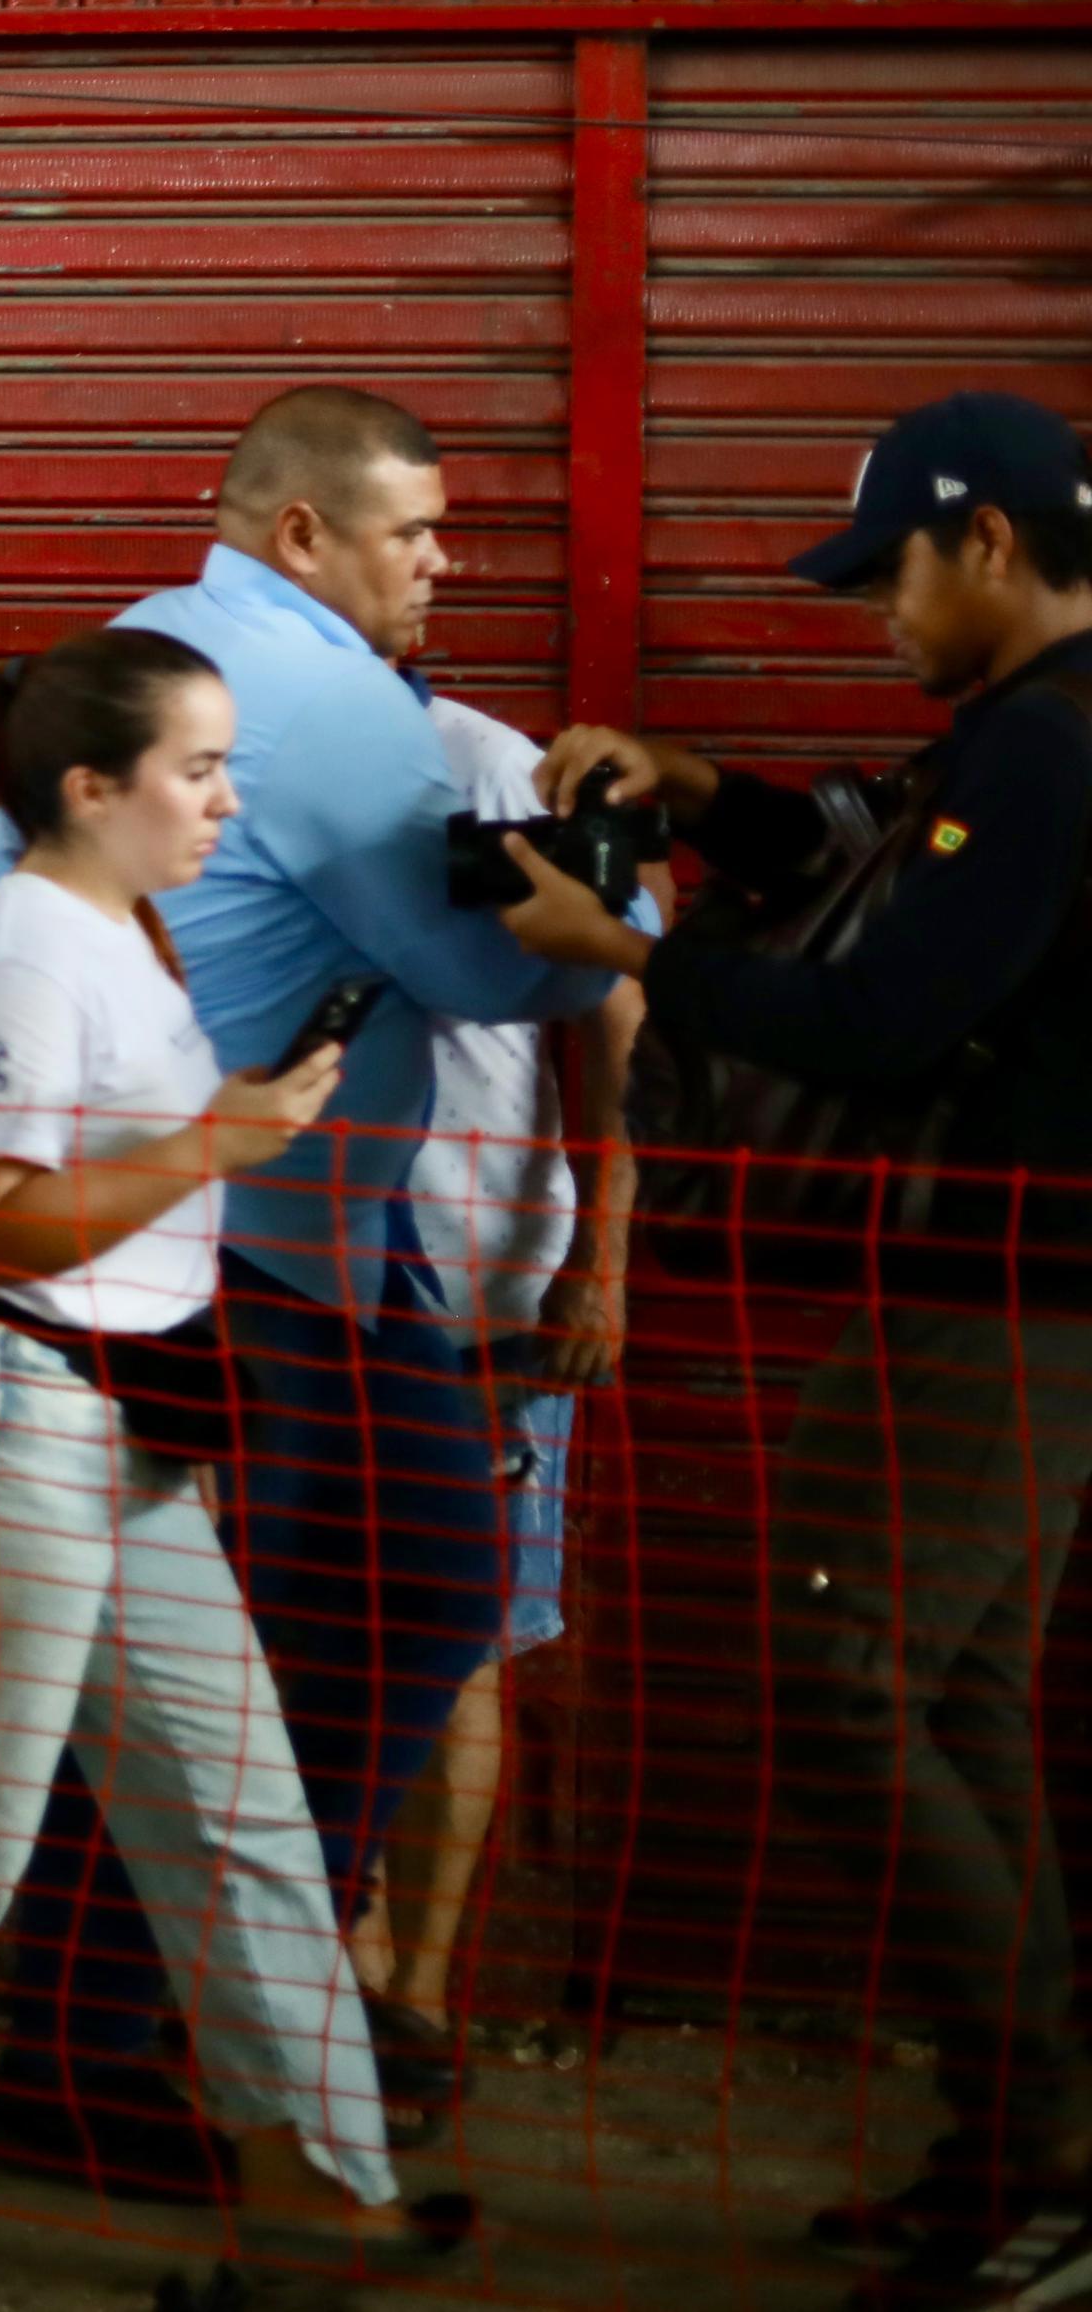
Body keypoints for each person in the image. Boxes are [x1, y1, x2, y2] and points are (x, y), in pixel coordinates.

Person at [0, 386, 619, 2196]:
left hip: (311, 1233)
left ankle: (190, 2008)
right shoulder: (294, 689)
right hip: (215, 1251)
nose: (442, 562)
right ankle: (107, 2046)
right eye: (414, 530)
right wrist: (620, 900)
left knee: (393, 1597)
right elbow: (501, 975)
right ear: (304, 532)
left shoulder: (193, 662)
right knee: (248, 1649)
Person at [490, 392, 1092, 2310]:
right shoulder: (1018, 740)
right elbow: (879, 848)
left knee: (843, 1671)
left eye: (888, 576)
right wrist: (692, 787)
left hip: (1001, 1304)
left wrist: (631, 942)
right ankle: (1018, 2146)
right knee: (955, 1693)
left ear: (984, 539)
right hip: (1007, 1300)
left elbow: (883, 1006)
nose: (875, 617)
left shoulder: (1061, 748)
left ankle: (1053, 2153)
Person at [0, 627, 419, 2247]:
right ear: (92, 785)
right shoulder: (20, 954)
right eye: (197, 768)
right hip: (5, 1428)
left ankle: (322, 2179)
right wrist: (226, 1134)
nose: (227, 798)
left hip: (119, 1437)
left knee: (243, 1814)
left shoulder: (122, 927)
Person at [352, 686, 643, 2140]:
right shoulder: (225, 761)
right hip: (295, 1290)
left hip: (480, 1301)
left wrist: (603, 1249)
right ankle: (325, 1995)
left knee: (458, 1643)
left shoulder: (491, 767)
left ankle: (411, 1996)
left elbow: (624, 995)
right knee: (291, 1639)